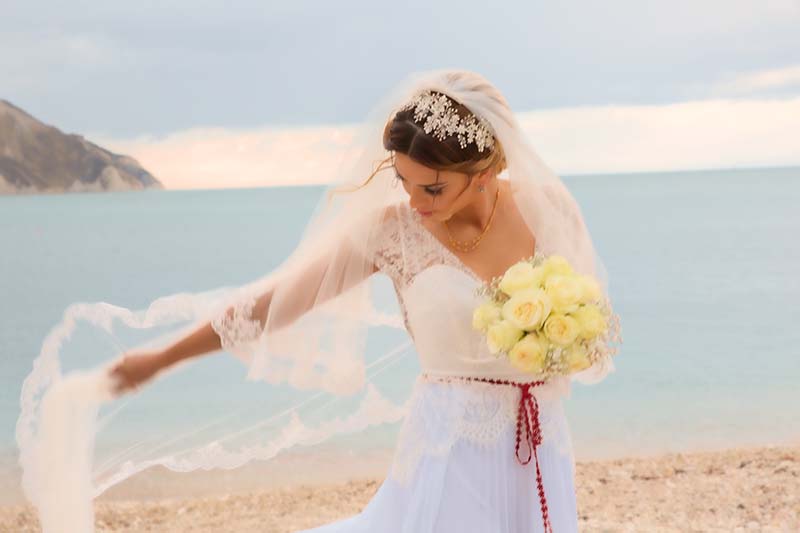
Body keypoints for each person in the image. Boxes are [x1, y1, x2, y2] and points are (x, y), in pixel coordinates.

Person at [17, 69, 620, 533]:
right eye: (403, 182)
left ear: (485, 169)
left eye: (432, 187)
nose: (416, 202)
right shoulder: (392, 233)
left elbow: (592, 328)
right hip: (447, 445)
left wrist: (560, 341)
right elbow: (275, 302)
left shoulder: (549, 211)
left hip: (539, 444)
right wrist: (159, 359)